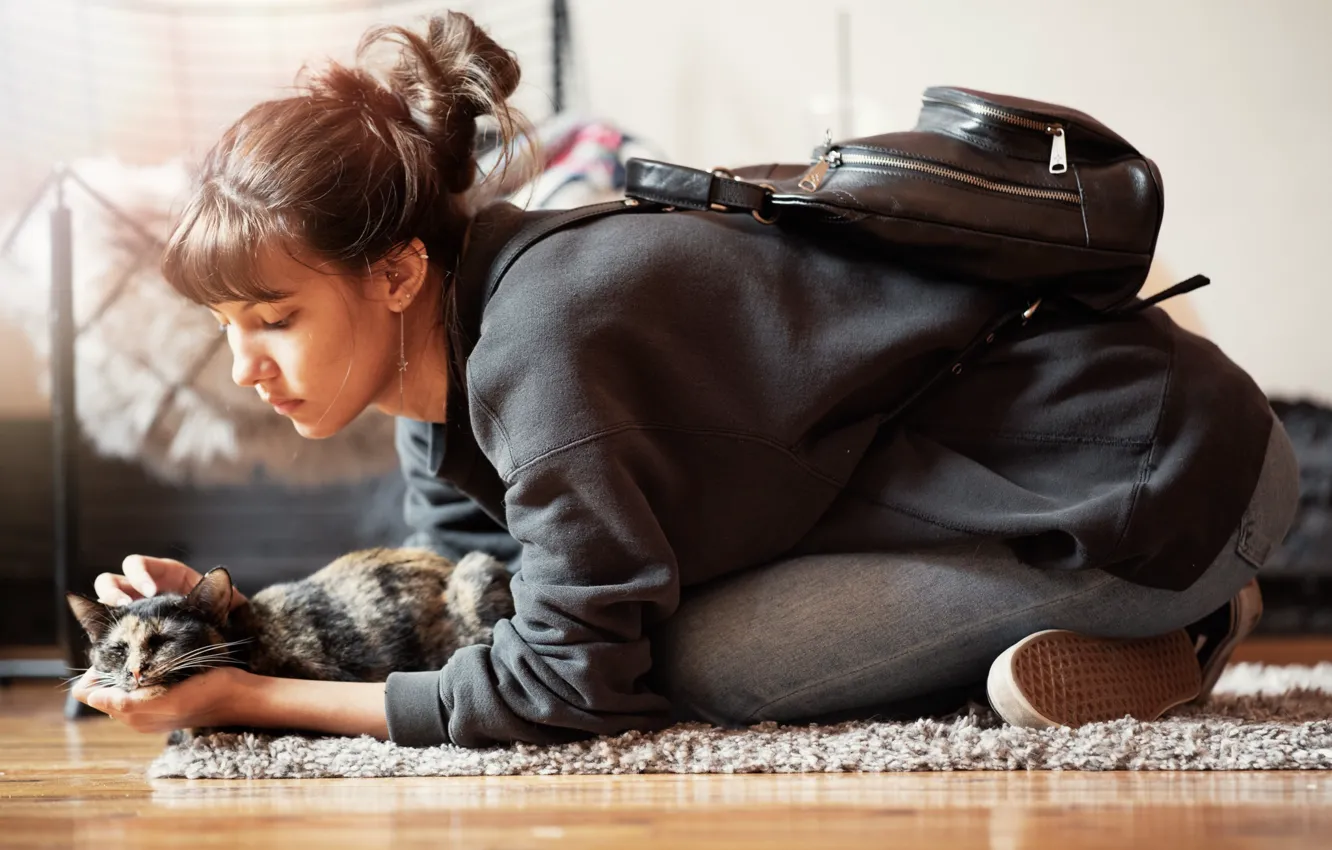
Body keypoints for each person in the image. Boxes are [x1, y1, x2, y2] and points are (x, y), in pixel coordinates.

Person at [74, 11, 1300, 746]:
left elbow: (566, 681)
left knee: (696, 664)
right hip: (1074, 469)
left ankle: (1187, 626)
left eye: (274, 318)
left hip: (1162, 485)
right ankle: (1131, 625)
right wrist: (234, 616)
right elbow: (472, 596)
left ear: (394, 273)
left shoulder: (540, 348)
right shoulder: (444, 349)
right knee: (643, 625)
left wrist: (250, 701)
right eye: (226, 325)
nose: (246, 368)